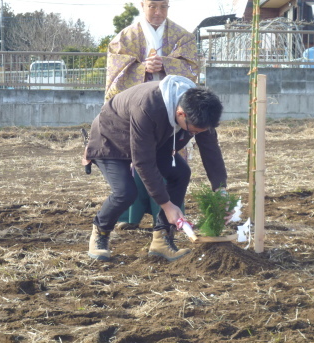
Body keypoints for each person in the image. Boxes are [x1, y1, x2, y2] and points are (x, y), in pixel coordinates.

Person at [85, 75, 228, 262]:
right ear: (180, 114)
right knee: (126, 193)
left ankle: (162, 239)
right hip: (111, 139)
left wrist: (220, 189)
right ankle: (100, 233)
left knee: (181, 173)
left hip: (152, 141)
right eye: (191, 131)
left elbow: (210, 149)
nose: (193, 135)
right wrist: (167, 206)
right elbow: (143, 162)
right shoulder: (147, 106)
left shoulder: (200, 109)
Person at [104, 0, 200, 230]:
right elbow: (114, 76)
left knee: (171, 164)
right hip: (138, 115)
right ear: (142, 5)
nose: (158, 12)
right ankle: (129, 218)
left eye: (163, 6)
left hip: (171, 117)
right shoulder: (125, 38)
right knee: (136, 160)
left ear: (169, 5)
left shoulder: (183, 37)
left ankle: (164, 222)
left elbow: (192, 70)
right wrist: (140, 68)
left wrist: (166, 64)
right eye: (152, 6)